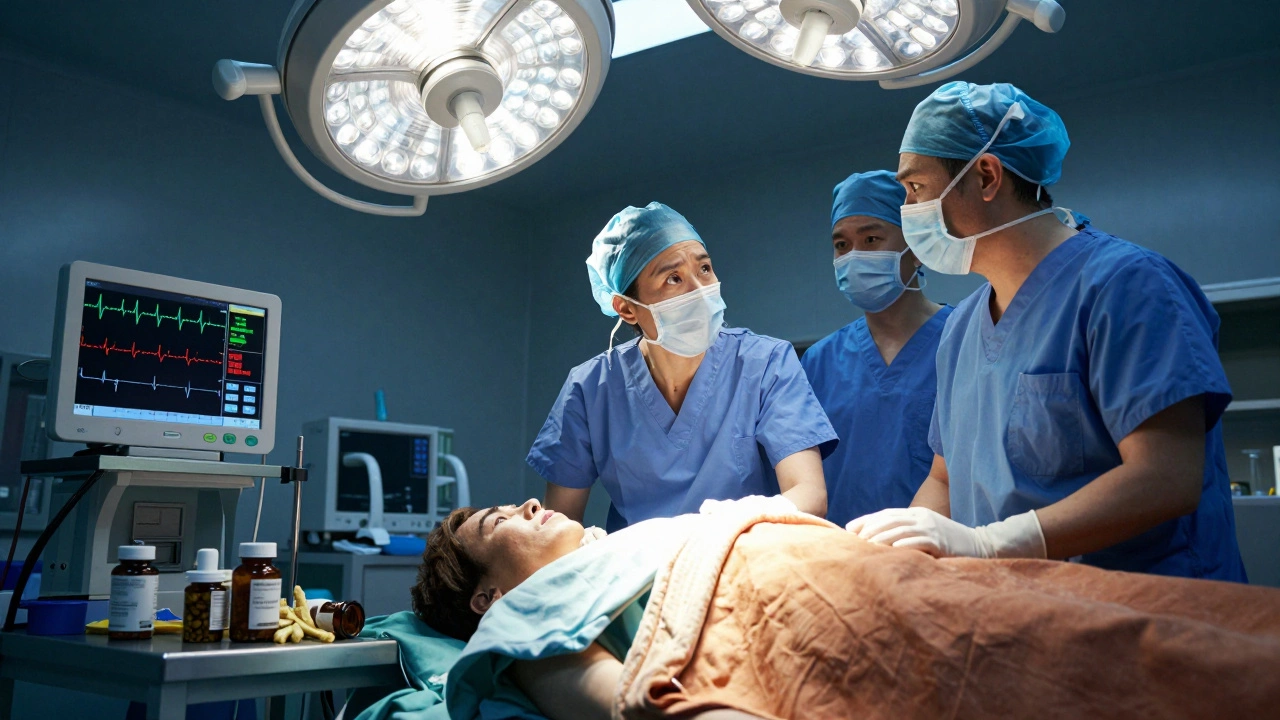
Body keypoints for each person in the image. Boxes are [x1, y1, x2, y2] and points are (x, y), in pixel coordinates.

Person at [849, 81, 1246, 581]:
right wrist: (903, 547)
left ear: (987, 175)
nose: (908, 211)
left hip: (1148, 620)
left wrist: (988, 544)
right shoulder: (962, 328)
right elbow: (944, 479)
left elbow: (1166, 477)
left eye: (915, 189)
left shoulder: (1126, 285)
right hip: (1020, 617)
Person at [410, 499, 1280, 720]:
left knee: (1105, 599)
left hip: (860, 571)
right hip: (794, 611)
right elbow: (618, 696)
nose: (529, 507)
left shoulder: (623, 547)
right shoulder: (514, 623)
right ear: (491, 593)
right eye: (500, 520)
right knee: (1098, 649)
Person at [527, 202, 838, 532]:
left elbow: (810, 494)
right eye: (673, 278)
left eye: (704, 269)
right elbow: (558, 528)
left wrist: (733, 523)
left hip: (744, 558)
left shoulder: (764, 364)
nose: (700, 289)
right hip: (639, 575)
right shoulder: (591, 389)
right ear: (627, 309)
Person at [800, 170, 952, 527]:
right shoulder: (819, 362)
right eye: (841, 245)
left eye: (871, 239)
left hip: (945, 555)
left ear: (915, 246)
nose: (854, 256)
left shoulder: (963, 340)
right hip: (845, 556)